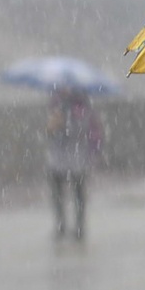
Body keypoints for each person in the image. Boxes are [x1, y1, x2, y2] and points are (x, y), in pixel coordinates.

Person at [44, 87, 102, 242]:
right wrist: (54, 125)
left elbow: (91, 130)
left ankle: (79, 226)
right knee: (57, 192)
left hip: (77, 158)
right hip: (58, 158)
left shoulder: (82, 105)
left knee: (79, 193)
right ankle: (61, 223)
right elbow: (49, 131)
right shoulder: (55, 103)